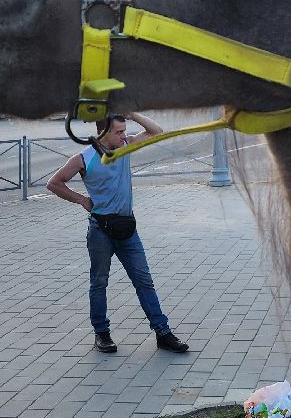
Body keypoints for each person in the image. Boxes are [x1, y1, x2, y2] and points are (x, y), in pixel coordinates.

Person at [46, 113, 190, 355]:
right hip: (100, 231)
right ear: (103, 133)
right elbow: (54, 183)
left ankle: (163, 333)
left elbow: (157, 132)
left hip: (127, 229)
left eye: (125, 130)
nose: (125, 136)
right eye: (119, 131)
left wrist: (131, 113)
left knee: (144, 281)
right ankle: (102, 334)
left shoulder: (125, 147)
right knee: (99, 282)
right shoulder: (83, 158)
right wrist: (82, 200)